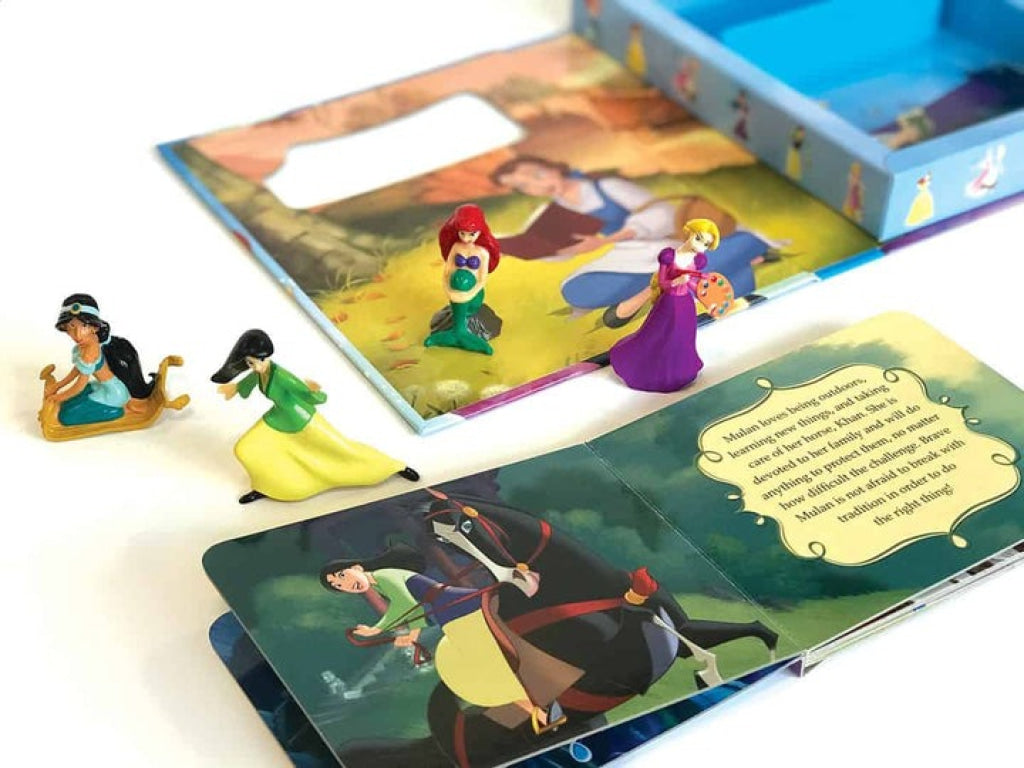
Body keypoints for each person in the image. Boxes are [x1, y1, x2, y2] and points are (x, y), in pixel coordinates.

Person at [490, 156, 776, 328]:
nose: (538, 184)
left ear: (552, 166)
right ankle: (699, 276)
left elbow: (662, 213)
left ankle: (717, 264)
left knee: (741, 242)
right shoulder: (552, 212)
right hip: (632, 255)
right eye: (525, 185)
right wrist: (534, 249)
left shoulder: (605, 187)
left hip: (669, 241)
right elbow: (555, 246)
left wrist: (608, 239)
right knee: (576, 289)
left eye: (537, 175)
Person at [320, 544, 566, 734]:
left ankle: (543, 707)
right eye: (337, 585)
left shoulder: (385, 576)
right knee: (489, 667)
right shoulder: (380, 583)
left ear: (357, 567)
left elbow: (407, 605)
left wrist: (389, 631)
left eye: (341, 575)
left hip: (462, 611)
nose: (344, 584)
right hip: (452, 616)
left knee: (492, 665)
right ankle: (540, 713)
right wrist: (386, 631)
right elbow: (406, 609)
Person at [211, 329, 419, 504]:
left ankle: (393, 466)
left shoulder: (281, 375)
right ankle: (268, 486)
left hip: (302, 419)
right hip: (278, 418)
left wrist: (314, 392)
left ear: (268, 357)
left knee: (345, 449)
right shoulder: (260, 372)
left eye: (259, 361)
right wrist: (235, 388)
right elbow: (252, 380)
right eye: (250, 363)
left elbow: (306, 393)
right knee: (245, 448)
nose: (256, 367)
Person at [609, 219, 719, 392]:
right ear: (689, 233)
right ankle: (645, 369)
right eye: (698, 239)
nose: (700, 246)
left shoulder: (697, 260)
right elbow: (663, 283)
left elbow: (691, 284)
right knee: (657, 336)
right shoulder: (669, 257)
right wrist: (677, 281)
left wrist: (702, 290)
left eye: (706, 244)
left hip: (686, 304)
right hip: (669, 303)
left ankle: (680, 371)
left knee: (683, 339)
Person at [46, 294, 154, 426]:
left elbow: (79, 386)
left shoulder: (90, 352)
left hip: (113, 394)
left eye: (84, 326)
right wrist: (58, 386)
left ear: (94, 327)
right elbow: (76, 370)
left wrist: (57, 397)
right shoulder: (84, 344)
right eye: (72, 326)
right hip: (103, 386)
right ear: (65, 327)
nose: (78, 334)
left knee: (66, 416)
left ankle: (117, 411)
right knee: (68, 403)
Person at [424, 204, 501, 355]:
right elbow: (448, 271)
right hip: (455, 289)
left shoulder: (482, 253)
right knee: (458, 281)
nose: (465, 239)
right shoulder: (456, 247)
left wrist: (469, 294)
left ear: (480, 231)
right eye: (462, 233)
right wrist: (448, 290)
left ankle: (462, 334)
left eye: (471, 234)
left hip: (473, 294)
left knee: (464, 284)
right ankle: (456, 333)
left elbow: (482, 279)